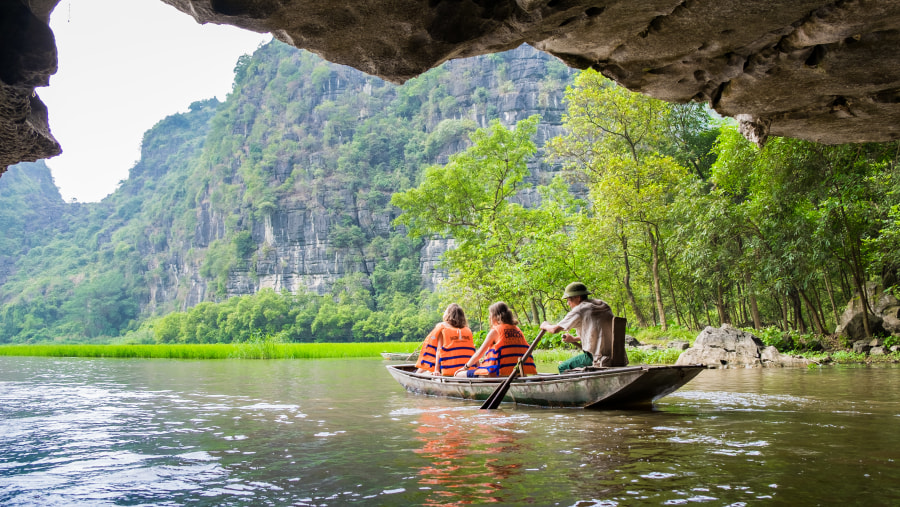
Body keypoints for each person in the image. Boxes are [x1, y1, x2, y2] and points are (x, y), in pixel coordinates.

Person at [540, 281, 626, 373]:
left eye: (569, 299)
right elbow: (597, 333)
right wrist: (574, 339)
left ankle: (578, 386)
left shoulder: (580, 309)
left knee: (563, 367)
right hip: (617, 356)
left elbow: (554, 330)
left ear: (578, 297)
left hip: (597, 357)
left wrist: (545, 325)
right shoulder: (603, 305)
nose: (568, 303)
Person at [455, 301, 537, 377]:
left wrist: (465, 367)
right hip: (518, 373)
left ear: (495, 316)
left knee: (458, 374)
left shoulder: (495, 331)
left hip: (496, 374)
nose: (489, 317)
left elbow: (479, 353)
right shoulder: (518, 330)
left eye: (490, 315)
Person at [415, 303, 476, 375]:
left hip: (448, 369)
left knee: (424, 368)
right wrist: (478, 367)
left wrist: (436, 370)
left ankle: (416, 375)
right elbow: (473, 350)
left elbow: (439, 350)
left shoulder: (443, 327)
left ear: (448, 315)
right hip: (466, 369)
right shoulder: (467, 330)